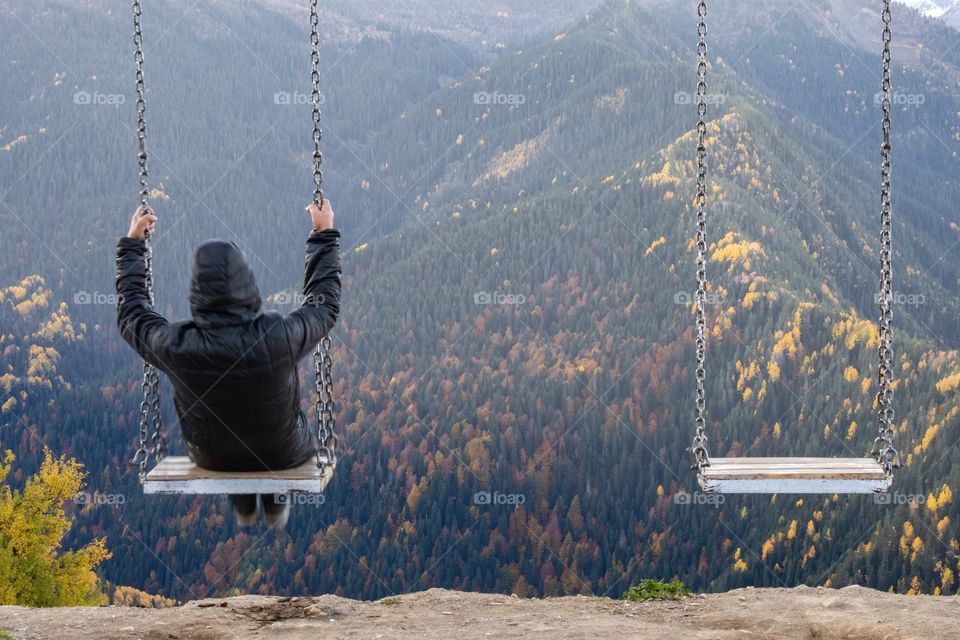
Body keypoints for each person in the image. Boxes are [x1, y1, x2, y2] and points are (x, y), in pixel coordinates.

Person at [115, 200, 341, 529]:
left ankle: (244, 503)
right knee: (268, 442)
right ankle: (275, 504)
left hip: (212, 457)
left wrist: (134, 244)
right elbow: (324, 306)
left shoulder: (177, 345)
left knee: (229, 442)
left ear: (196, 292)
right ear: (248, 283)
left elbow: (131, 314)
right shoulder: (278, 336)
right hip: (284, 452)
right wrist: (324, 233)